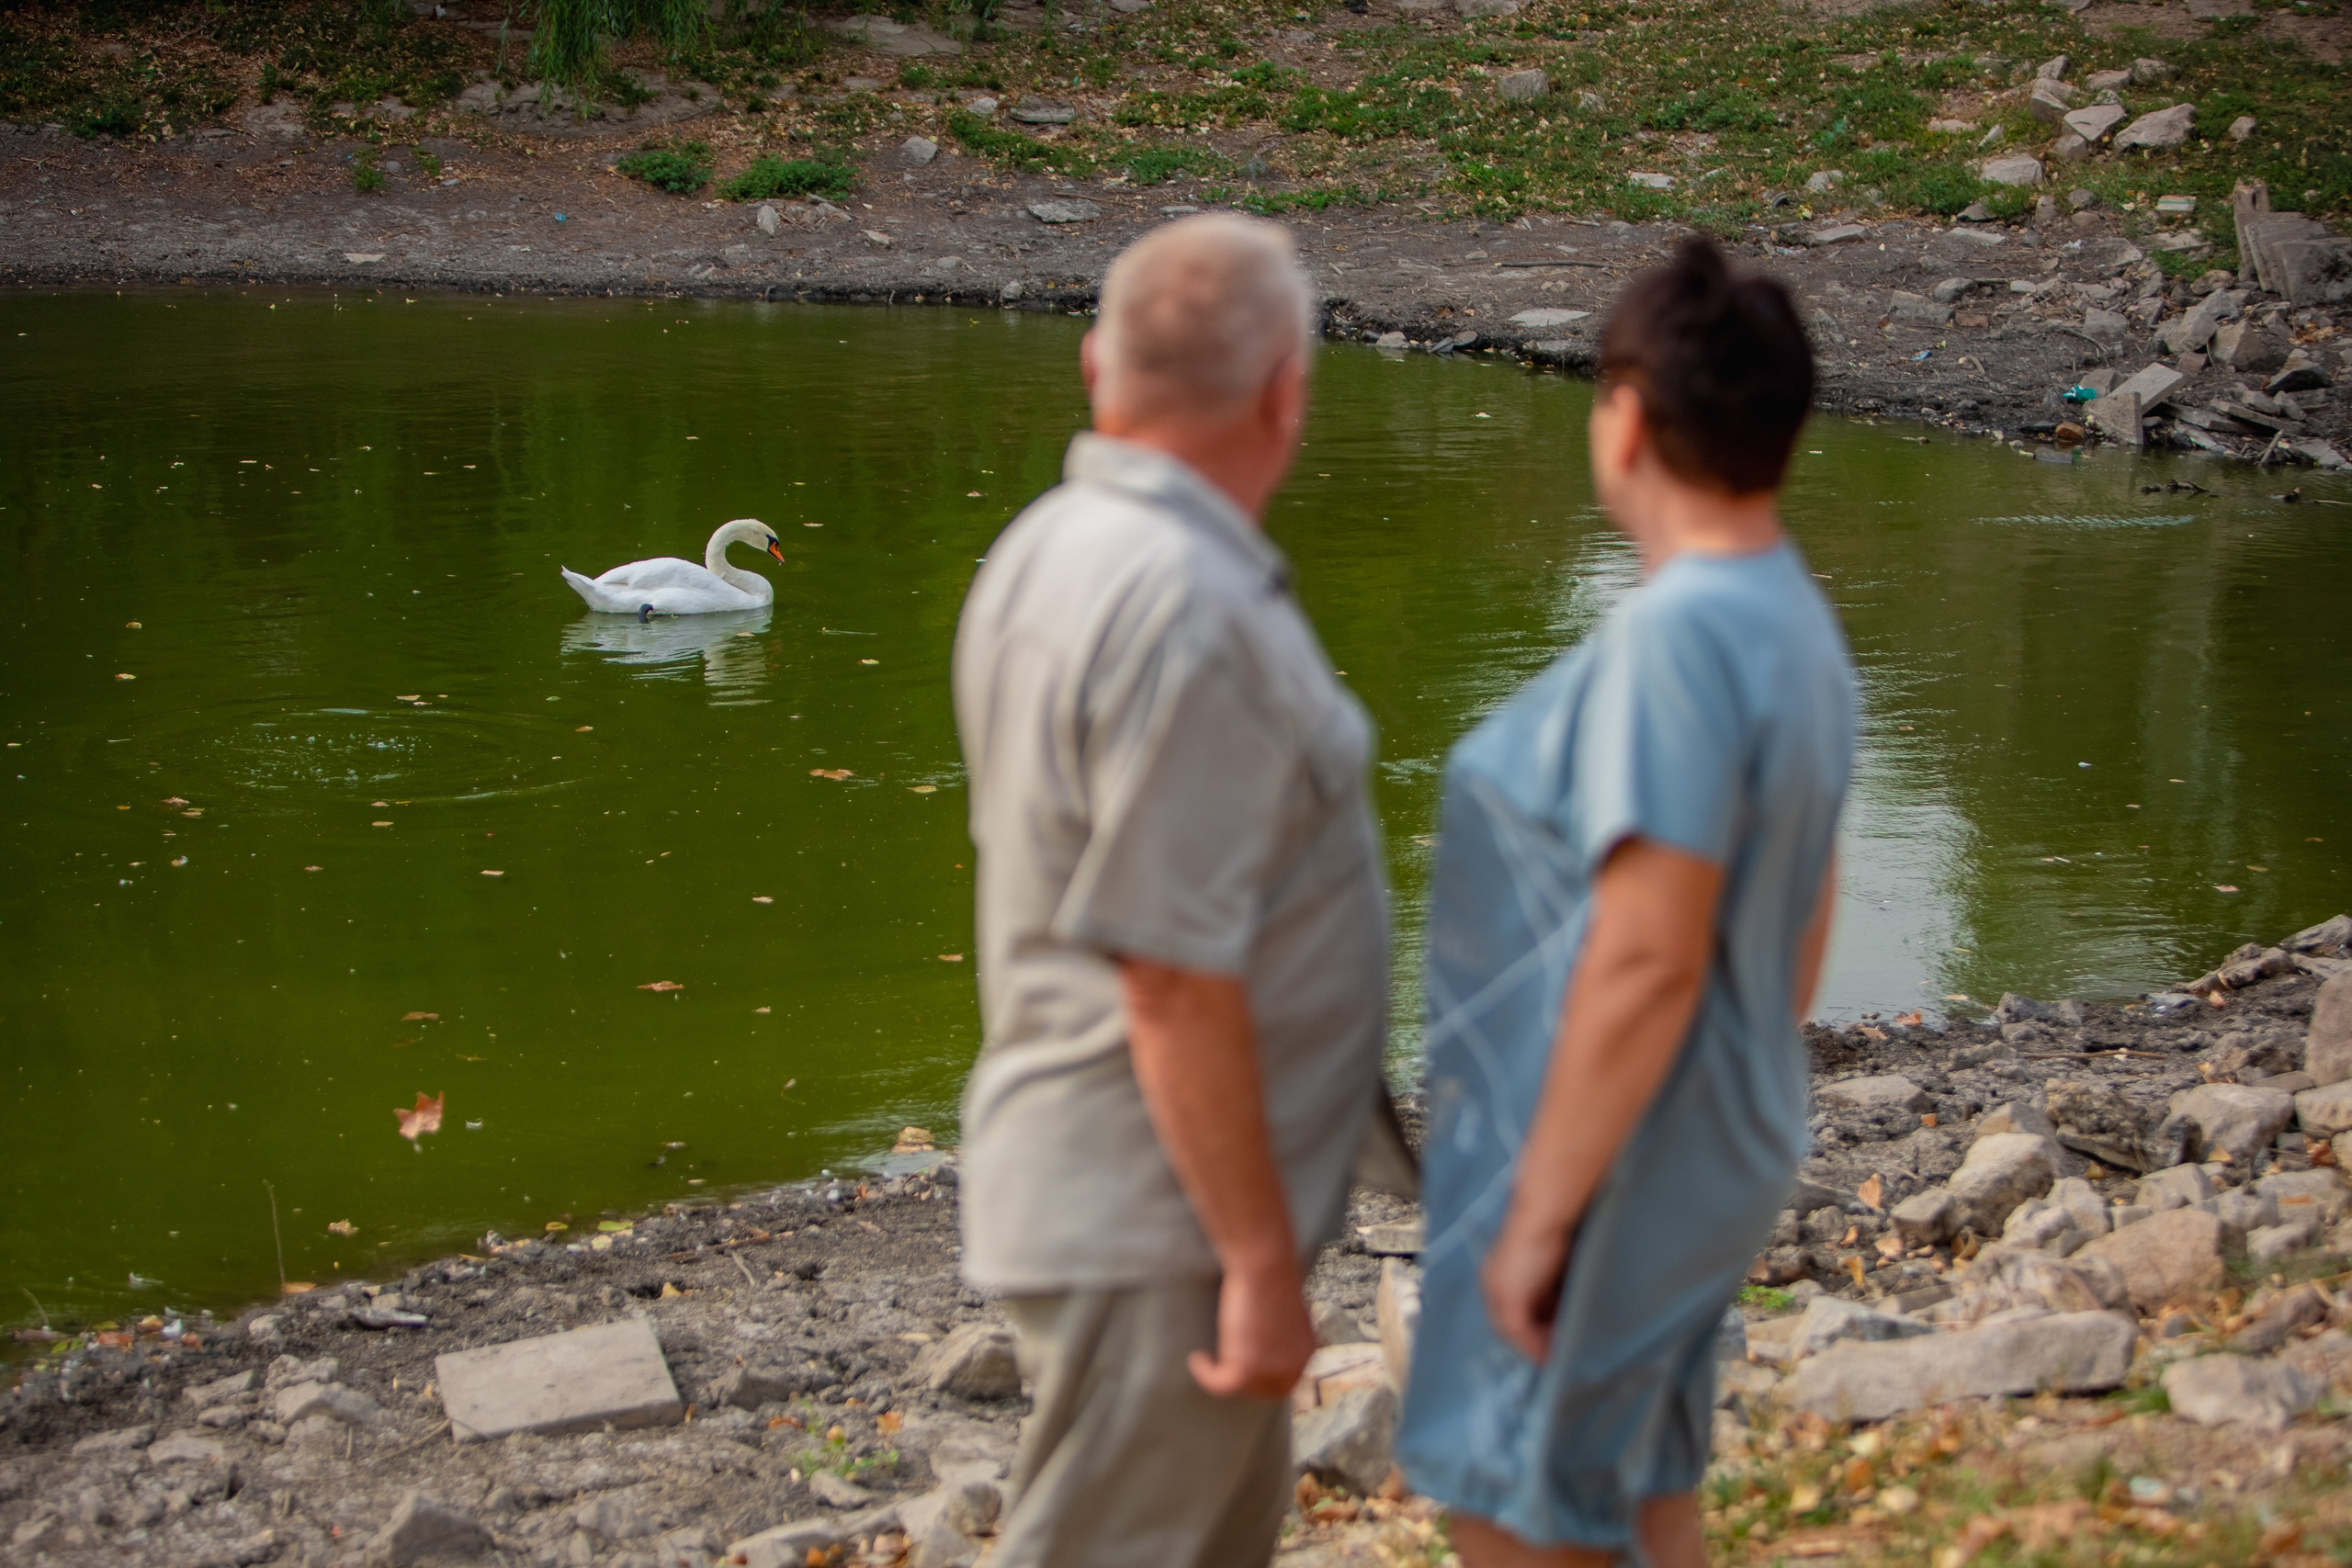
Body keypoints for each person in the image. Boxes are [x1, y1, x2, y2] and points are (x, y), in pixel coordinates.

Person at [1395, 236, 1855, 1568]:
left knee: (1511, 1502)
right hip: (1724, 1117)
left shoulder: (1679, 635)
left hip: (1632, 1143)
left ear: (1631, 419)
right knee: (1646, 1490)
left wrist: (1539, 1218)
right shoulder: (1792, 614)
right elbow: (1807, 901)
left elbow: (1650, 954)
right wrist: (1741, 1065)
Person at [949, 214, 1391, 1568]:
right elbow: (1167, 971)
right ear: (1284, 393)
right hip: (1159, 1221)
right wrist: (1257, 1263)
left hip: (1127, 1195)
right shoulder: (1190, 610)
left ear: (1096, 367)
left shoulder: (1047, 546)